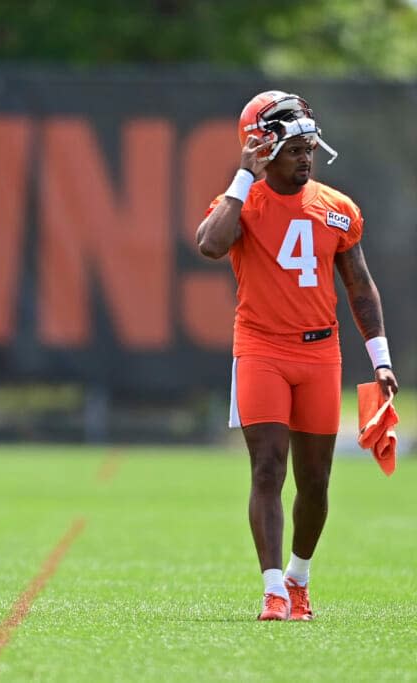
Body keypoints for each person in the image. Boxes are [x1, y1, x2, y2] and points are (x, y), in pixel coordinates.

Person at [196, 90, 399, 621]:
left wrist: (380, 357)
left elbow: (360, 287)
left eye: (309, 146)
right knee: (267, 468)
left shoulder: (336, 208)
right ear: (264, 149)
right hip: (261, 347)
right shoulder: (242, 202)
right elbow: (211, 246)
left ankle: (299, 578)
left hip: (319, 353)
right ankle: (272, 590)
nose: (305, 156)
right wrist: (242, 178)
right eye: (294, 148)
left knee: (315, 480)